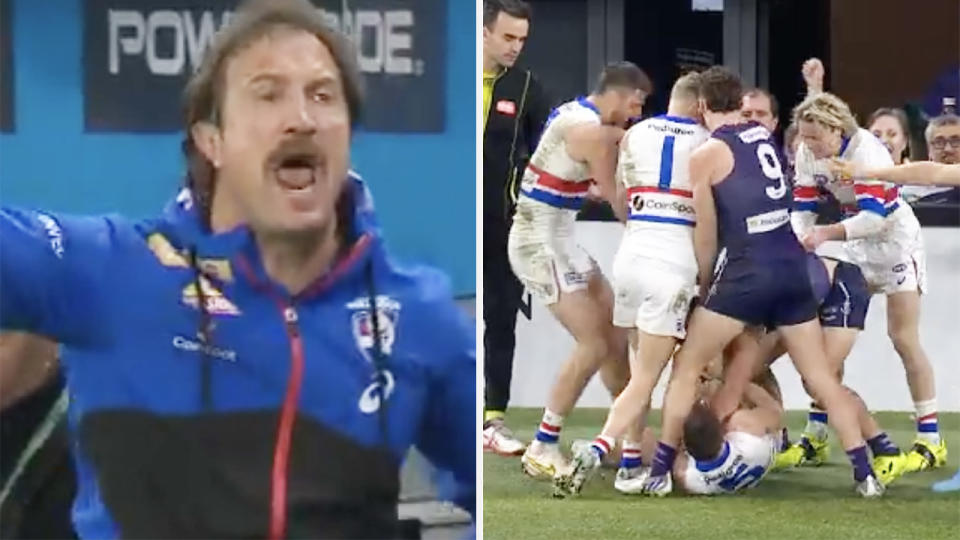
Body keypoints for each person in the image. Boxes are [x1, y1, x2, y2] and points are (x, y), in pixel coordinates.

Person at [0, 1, 475, 538]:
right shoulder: (114, 272)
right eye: (267, 94)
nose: (301, 117)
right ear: (212, 141)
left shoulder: (417, 315)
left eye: (322, 95)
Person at [641, 66, 882, 498]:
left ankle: (658, 471)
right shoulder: (761, 136)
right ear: (738, 104)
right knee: (822, 380)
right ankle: (865, 474)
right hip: (792, 266)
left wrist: (703, 283)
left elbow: (707, 231)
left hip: (748, 272)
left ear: (700, 107)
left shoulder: (707, 154)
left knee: (688, 367)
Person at [554, 72, 709, 496]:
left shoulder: (636, 133)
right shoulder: (708, 143)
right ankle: (600, 445)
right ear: (700, 105)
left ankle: (628, 466)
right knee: (647, 378)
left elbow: (620, 196)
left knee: (638, 370)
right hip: (671, 263)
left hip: (631, 257)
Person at [790, 91, 946, 475]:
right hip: (850, 243)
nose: (807, 145)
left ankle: (930, 439)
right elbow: (804, 206)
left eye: (814, 137)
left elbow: (875, 218)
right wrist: (804, 238)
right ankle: (816, 435)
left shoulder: (868, 151)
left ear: (836, 128)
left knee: (903, 338)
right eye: (803, 137)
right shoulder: (808, 152)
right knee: (829, 341)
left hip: (893, 241)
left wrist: (825, 234)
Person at [509, 62, 651, 479]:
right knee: (593, 342)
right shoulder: (591, 132)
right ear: (622, 96)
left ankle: (622, 439)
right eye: (636, 105)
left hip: (560, 239)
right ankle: (542, 445)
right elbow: (619, 202)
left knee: (616, 332)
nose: (636, 115)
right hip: (538, 243)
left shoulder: (580, 115)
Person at [829, 155, 960, 493]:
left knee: (904, 337)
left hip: (897, 250)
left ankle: (928, 439)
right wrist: (869, 171)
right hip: (862, 247)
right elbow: (932, 173)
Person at [481, 0, 553, 456]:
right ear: (483, 32)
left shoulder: (528, 88)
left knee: (501, 318)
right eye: (508, 37)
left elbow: (544, 154)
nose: (515, 47)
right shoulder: (455, 79)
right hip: (450, 218)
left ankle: (493, 419)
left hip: (502, 225)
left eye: (522, 39)